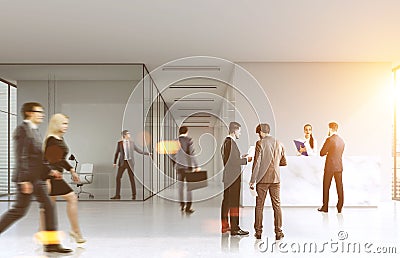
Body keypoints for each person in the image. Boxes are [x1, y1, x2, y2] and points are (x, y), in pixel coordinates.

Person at [0, 102, 72, 253]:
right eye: (39, 112)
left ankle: (51, 244)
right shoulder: (22, 130)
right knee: (19, 211)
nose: (42, 114)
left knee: (49, 206)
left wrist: (50, 171)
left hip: (37, 179)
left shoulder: (35, 131)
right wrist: (23, 180)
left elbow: (38, 158)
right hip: (27, 179)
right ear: (29, 113)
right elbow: (22, 156)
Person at [43, 113, 86, 243]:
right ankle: (75, 232)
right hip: (52, 176)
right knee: (71, 198)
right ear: (56, 124)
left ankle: (47, 235)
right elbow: (47, 160)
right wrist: (50, 174)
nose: (66, 126)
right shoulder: (52, 139)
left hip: (56, 175)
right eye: (64, 123)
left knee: (48, 207)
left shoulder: (59, 138)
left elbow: (61, 159)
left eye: (67, 123)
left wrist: (72, 170)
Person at [249, 123, 286, 240]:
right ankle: (278, 232)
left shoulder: (260, 143)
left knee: (259, 206)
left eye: (258, 133)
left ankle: (258, 232)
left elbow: (257, 163)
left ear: (261, 132)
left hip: (262, 179)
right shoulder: (279, 142)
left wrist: (252, 180)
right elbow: (284, 162)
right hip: (276, 179)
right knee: (277, 205)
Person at [221, 122, 252, 236]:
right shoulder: (231, 143)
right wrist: (246, 160)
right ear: (234, 131)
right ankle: (235, 228)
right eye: (239, 131)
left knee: (227, 201)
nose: (240, 133)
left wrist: (240, 157)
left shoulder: (226, 142)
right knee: (234, 202)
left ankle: (225, 226)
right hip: (233, 177)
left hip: (228, 176)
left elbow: (230, 159)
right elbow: (232, 162)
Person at [111, 130, 151, 200]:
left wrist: (148, 153)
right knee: (118, 178)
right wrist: (114, 162)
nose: (129, 135)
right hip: (122, 163)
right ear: (124, 135)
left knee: (132, 179)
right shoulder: (120, 143)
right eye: (128, 134)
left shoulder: (132, 143)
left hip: (130, 163)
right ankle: (117, 195)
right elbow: (116, 153)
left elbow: (139, 150)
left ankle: (134, 195)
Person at [318, 122, 345, 213]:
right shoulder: (342, 140)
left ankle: (325, 207)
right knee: (339, 186)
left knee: (326, 186)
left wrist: (327, 151)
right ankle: (340, 207)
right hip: (339, 167)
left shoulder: (329, 140)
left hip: (330, 167)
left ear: (330, 129)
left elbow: (322, 153)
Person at [173, 126, 200, 214]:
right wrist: (196, 166)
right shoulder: (188, 140)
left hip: (179, 167)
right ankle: (188, 207)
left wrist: (175, 163)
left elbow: (172, 155)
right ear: (186, 132)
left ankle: (182, 205)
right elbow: (192, 153)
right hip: (187, 167)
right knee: (189, 188)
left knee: (180, 187)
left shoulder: (175, 141)